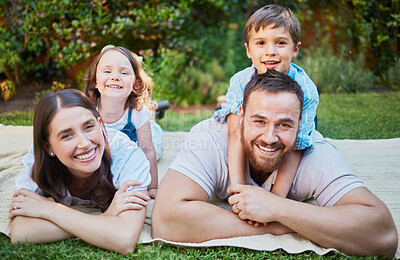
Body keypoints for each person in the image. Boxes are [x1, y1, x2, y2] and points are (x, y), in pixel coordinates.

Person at [152, 70, 398, 258]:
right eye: (259, 121)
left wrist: (276, 208)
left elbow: (383, 235)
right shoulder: (209, 139)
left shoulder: (314, 153)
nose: (270, 138)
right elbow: (166, 219)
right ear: (240, 117)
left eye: (284, 125)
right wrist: (280, 227)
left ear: (301, 123)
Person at [9, 89, 151, 255]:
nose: (84, 143)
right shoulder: (37, 161)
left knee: (151, 140)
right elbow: (21, 232)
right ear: (48, 147)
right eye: (67, 135)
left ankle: (150, 121)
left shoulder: (127, 155)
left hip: (127, 139)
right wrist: (105, 219)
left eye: (88, 127)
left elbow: (125, 239)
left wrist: (49, 209)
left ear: (99, 123)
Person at [213, 4, 319, 201]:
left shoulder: (307, 91)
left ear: (295, 49)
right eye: (260, 43)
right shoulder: (240, 81)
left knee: (305, 143)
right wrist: (238, 189)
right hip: (251, 124)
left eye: (280, 43)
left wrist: (275, 200)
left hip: (291, 128)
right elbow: (236, 132)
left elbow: (296, 145)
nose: (270, 51)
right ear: (248, 50)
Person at [84, 45, 161, 199]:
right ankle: (112, 52)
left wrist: (152, 186)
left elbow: (147, 150)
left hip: (136, 145)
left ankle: (155, 122)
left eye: (124, 73)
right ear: (95, 82)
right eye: (107, 71)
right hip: (109, 151)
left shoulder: (137, 112)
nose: (115, 77)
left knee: (156, 145)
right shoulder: (88, 110)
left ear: (136, 84)